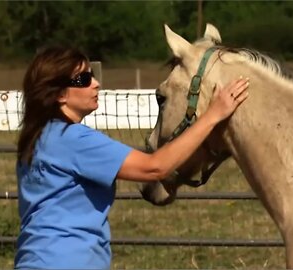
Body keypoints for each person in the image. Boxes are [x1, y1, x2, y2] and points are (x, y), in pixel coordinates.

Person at [15, 45, 249, 269]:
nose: (96, 84)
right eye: (84, 80)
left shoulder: (38, 138)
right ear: (58, 94)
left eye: (93, 76)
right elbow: (155, 168)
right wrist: (213, 115)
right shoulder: (73, 140)